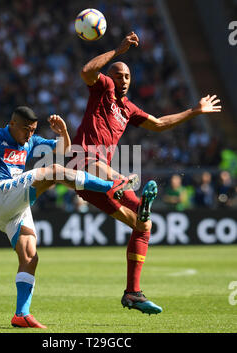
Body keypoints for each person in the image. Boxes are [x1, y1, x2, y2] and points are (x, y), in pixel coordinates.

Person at [72, 31, 222, 314]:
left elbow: (159, 123)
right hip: (83, 162)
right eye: (118, 75)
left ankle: (133, 293)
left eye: (127, 77)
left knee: (143, 225)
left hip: (98, 178)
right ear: (111, 77)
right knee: (115, 176)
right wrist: (117, 52)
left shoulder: (127, 108)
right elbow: (87, 71)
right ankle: (130, 192)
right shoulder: (102, 88)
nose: (123, 80)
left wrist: (195, 111)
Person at [0, 106, 139, 329]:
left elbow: (65, 150)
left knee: (30, 256)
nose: (30, 135)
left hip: (14, 207)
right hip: (0, 193)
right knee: (51, 171)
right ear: (12, 124)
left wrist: (63, 133)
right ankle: (112, 186)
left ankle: (21, 315)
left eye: (33, 130)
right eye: (26, 129)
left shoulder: (29, 142)